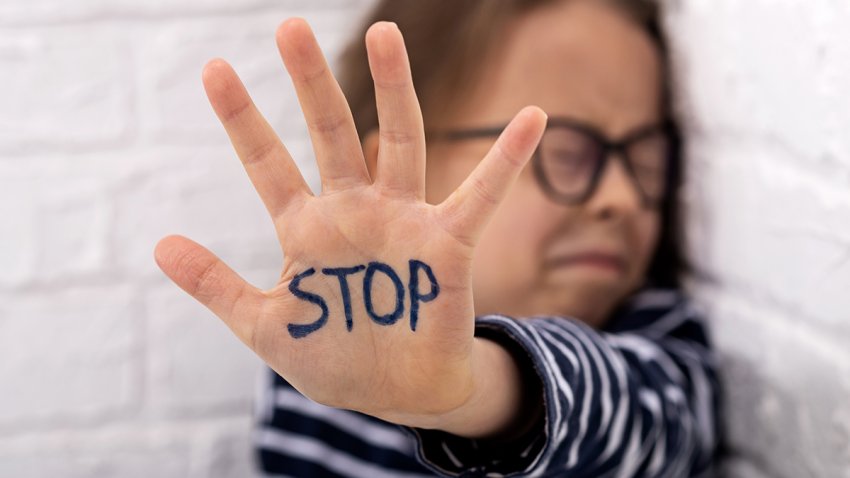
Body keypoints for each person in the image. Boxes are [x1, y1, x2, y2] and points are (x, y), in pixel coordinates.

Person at [153, 0, 722, 476]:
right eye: (569, 153)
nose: (621, 197)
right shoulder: (312, 353)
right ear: (398, 175)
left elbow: (637, 426)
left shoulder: (665, 350)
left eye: (645, 155)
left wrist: (477, 391)